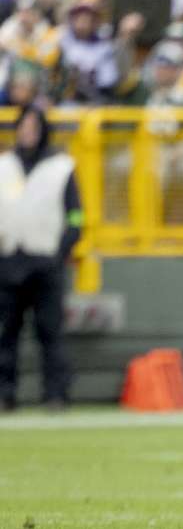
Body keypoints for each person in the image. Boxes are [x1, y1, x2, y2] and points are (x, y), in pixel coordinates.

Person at [0, 106, 82, 411]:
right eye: (23, 124)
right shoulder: (4, 165)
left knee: (50, 332)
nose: (28, 130)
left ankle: (56, 394)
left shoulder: (60, 166)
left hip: (45, 261)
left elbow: (76, 215)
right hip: (8, 260)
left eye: (34, 125)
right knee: (6, 333)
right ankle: (5, 394)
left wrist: (60, 251)